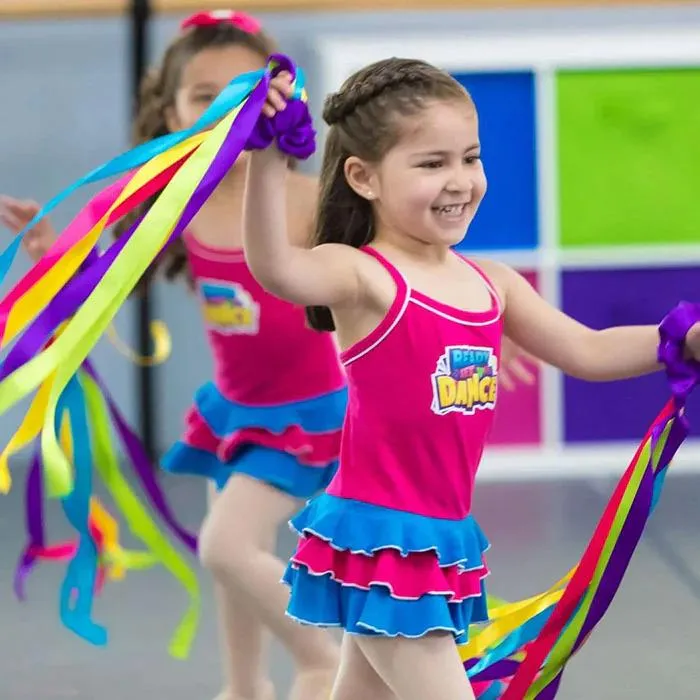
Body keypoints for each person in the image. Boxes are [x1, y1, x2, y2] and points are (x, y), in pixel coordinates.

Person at [0, 18, 533, 699]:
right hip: (239, 411)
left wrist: (488, 322)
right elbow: (96, 268)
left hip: (315, 416)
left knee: (224, 545)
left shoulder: (301, 201)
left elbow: (411, 270)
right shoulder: (168, 202)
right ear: (168, 111)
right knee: (230, 559)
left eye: (242, 90)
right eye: (202, 95)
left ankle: (317, 654)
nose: (223, 105)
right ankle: (245, 684)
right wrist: (56, 252)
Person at [240, 57, 700, 700]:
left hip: (440, 539)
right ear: (363, 177)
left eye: (470, 157)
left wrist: (679, 340)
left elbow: (590, 351)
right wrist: (266, 158)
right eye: (432, 164)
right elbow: (278, 271)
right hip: (382, 545)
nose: (459, 180)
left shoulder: (494, 284)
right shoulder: (364, 275)